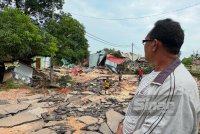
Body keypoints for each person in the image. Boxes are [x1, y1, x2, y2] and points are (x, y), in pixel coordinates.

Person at [115, 18, 200, 134]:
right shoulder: (154, 75)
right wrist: (123, 125)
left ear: (154, 44)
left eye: (145, 42)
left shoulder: (175, 88)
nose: (144, 46)